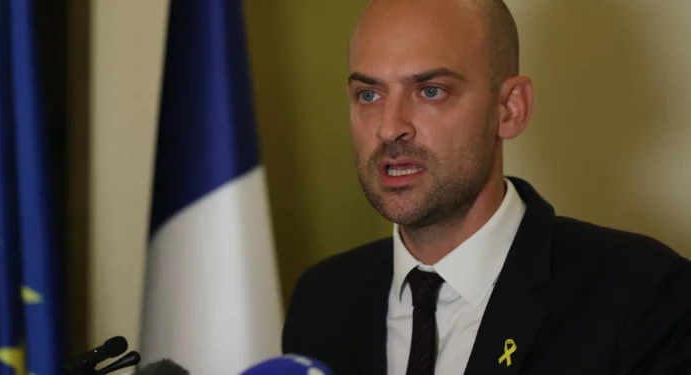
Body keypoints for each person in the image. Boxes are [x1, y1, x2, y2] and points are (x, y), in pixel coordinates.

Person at [280, 0, 691, 374]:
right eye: (368, 94)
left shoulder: (643, 295)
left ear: (510, 108)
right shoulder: (322, 301)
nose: (389, 127)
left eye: (430, 91)